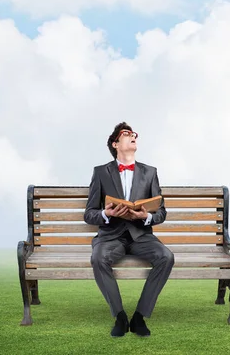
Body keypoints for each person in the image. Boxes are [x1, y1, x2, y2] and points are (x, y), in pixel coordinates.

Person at [84, 122, 175, 337]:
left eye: (134, 134)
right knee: (98, 258)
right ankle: (120, 316)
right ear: (116, 143)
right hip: (110, 237)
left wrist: (146, 216)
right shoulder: (100, 172)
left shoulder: (150, 172)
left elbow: (161, 213)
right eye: (126, 134)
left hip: (141, 235)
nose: (133, 136)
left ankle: (139, 316)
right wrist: (107, 214)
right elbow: (89, 214)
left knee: (166, 257)